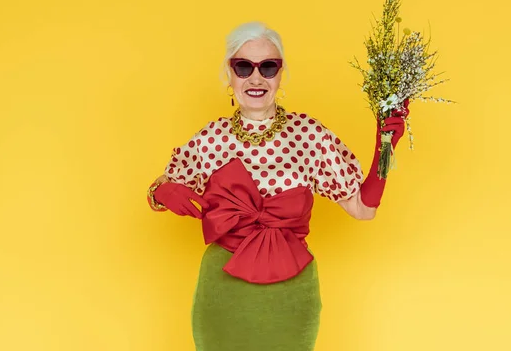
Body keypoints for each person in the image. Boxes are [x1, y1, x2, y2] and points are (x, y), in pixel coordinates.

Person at [146, 21, 409, 351]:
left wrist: (385, 146)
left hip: (292, 292)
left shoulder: (309, 134)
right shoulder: (210, 138)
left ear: (280, 74)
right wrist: (160, 191)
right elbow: (161, 189)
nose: (256, 78)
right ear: (229, 75)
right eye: (243, 67)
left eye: (268, 67)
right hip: (222, 290)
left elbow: (362, 208)